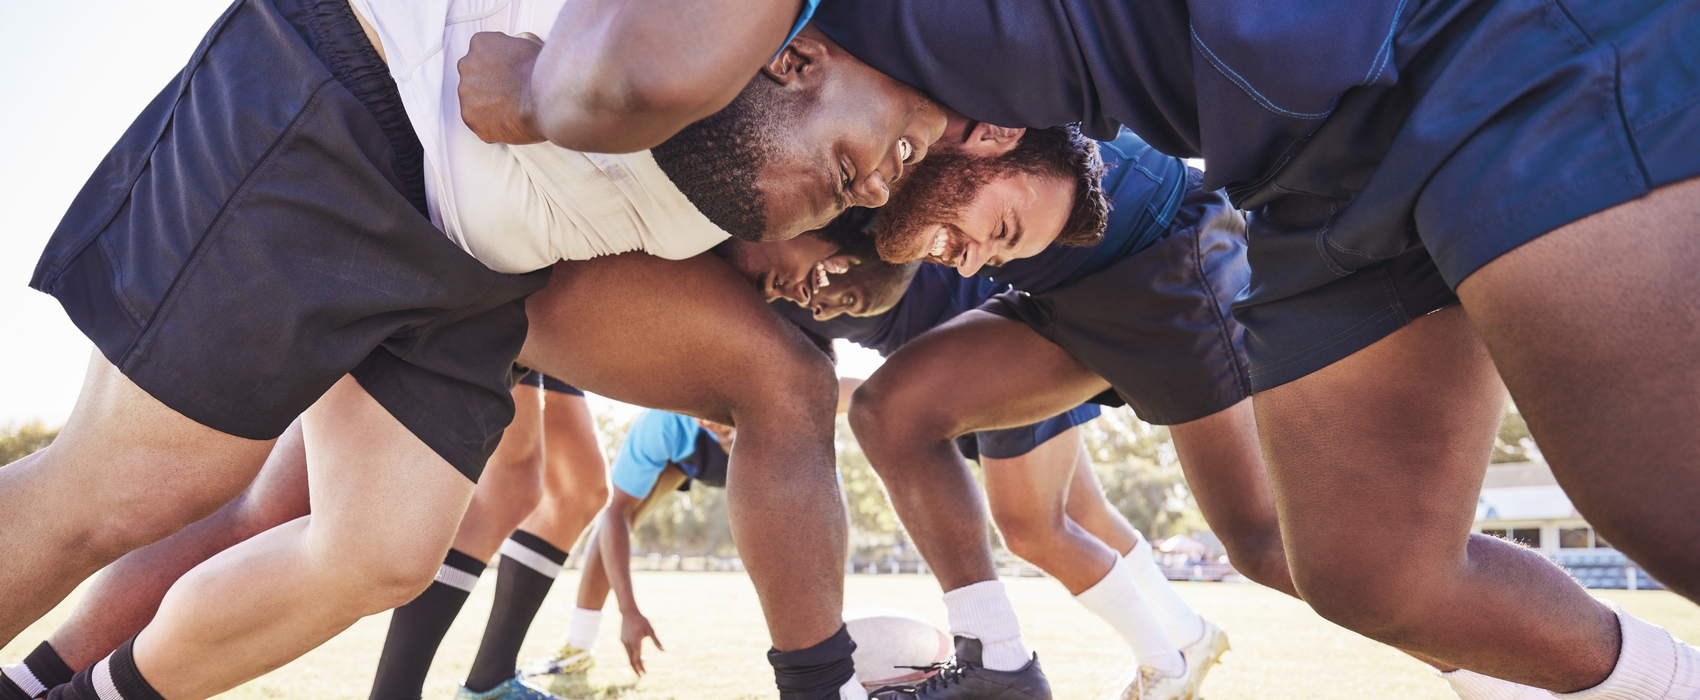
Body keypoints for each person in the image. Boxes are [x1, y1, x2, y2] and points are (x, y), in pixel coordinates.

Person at [0, 1, 945, 699]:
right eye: (829, 274)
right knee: (135, 488)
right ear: (801, 61)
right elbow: (610, 78)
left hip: (474, 269)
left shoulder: (728, 211)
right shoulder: (728, 54)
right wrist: (538, 94)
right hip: (355, 109)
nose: (809, 292)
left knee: (381, 550)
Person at [782, 252, 1232, 700]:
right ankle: (1187, 634)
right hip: (944, 361)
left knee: (1032, 529)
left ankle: (1165, 665)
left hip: (984, 340)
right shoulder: (782, 300)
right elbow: (817, 373)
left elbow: (831, 390)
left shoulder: (806, 240)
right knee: (1084, 514)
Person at [0, 370, 606, 700]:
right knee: (286, 516)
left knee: (277, 512)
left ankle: (25, 686)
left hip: (515, 243)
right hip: (469, 235)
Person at [527, 409, 735, 687]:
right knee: (616, 519)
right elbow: (617, 513)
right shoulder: (662, 425)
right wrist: (629, 611)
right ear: (705, 421)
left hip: (772, 448)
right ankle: (578, 646)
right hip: (681, 452)